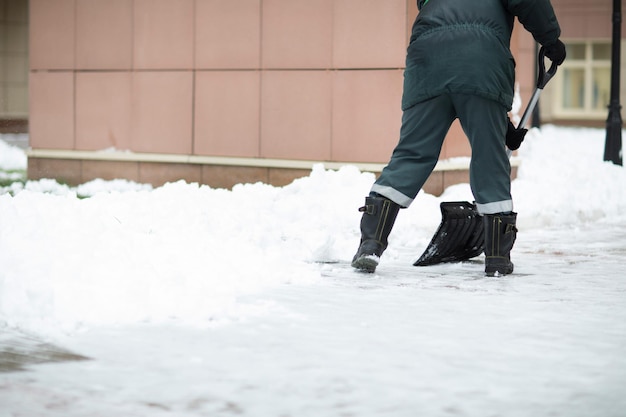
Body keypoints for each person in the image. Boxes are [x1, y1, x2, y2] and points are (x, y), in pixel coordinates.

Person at [352, 0, 566, 275]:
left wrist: (503, 125)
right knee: (490, 159)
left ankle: (370, 244)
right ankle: (497, 258)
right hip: (482, 60)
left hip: (428, 59)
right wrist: (551, 40)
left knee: (411, 154)